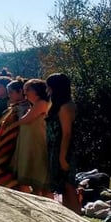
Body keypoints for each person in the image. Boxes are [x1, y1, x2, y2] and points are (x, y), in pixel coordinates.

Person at [46, 72, 81, 214]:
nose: (47, 90)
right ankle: (69, 216)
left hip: (65, 150)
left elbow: (67, 133)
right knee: (62, 186)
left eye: (49, 87)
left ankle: (77, 217)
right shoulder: (56, 105)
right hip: (55, 149)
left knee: (69, 186)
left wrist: (62, 157)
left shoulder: (66, 106)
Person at [0, 78, 30, 191]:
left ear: (20, 92)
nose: (9, 95)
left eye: (11, 92)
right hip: (10, 146)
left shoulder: (24, 109)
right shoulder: (13, 108)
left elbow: (20, 126)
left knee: (18, 174)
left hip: (18, 145)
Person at [13, 78, 51, 197]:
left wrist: (8, 126)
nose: (25, 93)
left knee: (40, 177)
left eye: (28, 90)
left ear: (37, 90)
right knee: (32, 178)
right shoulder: (33, 105)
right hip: (31, 144)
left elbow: (25, 120)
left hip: (38, 144)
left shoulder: (42, 103)